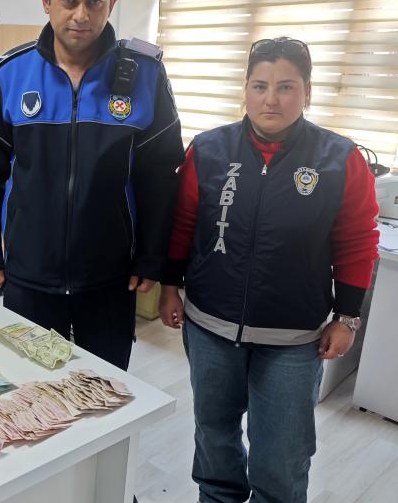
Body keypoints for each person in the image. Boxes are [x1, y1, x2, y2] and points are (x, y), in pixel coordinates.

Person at [159, 37, 380, 503]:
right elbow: (183, 224)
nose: (271, 99)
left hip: (293, 339)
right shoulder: (209, 149)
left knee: (282, 455)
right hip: (211, 327)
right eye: (260, 86)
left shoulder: (339, 159)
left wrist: (347, 317)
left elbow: (357, 242)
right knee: (214, 435)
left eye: (286, 87)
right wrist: (170, 286)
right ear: (245, 89)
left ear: (307, 92)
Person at [0, 0, 184, 371]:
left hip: (110, 278)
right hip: (29, 275)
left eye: (95, 1)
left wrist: (152, 257)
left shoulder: (145, 75)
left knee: (103, 391)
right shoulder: (12, 73)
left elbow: (161, 179)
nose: (81, 15)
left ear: (111, 2)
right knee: (28, 390)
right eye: (69, 0)